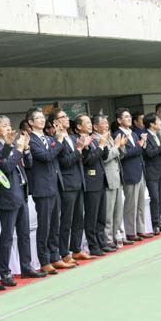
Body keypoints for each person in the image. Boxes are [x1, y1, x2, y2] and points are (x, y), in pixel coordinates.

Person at [0, 115, 43, 284]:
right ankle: (5, 272)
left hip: (21, 192)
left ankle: (26, 266)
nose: (8, 127)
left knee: (24, 233)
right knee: (7, 236)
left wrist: (25, 149)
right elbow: (6, 166)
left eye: (9, 124)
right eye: (3, 125)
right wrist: (18, 150)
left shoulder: (14, 144)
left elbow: (29, 163)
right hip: (7, 197)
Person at [26, 108, 69, 275]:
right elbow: (46, 156)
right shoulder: (31, 141)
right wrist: (58, 141)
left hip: (55, 185)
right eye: (37, 118)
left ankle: (55, 256)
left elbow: (58, 153)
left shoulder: (50, 138)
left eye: (42, 117)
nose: (42, 120)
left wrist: (59, 137)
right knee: (44, 225)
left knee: (55, 224)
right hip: (42, 188)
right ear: (30, 122)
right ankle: (44, 260)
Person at [52, 108, 91, 264]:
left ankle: (76, 249)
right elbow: (65, 162)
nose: (67, 118)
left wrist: (83, 148)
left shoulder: (73, 137)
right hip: (67, 184)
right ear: (55, 122)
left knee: (78, 219)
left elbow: (80, 159)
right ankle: (64, 252)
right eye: (62, 117)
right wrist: (79, 149)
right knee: (66, 221)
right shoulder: (56, 139)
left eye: (66, 116)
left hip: (78, 181)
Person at [77, 114, 112, 255]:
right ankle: (93, 245)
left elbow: (104, 156)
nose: (90, 125)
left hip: (100, 179)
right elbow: (88, 160)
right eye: (87, 123)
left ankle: (101, 242)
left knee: (101, 215)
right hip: (90, 181)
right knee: (92, 216)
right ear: (79, 126)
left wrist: (104, 143)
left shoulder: (93, 139)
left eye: (90, 122)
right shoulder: (80, 140)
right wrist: (101, 146)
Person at [115, 108, 150, 241]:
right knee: (131, 204)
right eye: (125, 117)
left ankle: (140, 229)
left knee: (140, 203)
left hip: (140, 170)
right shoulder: (118, 135)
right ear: (119, 120)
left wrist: (142, 144)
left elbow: (138, 150)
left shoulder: (134, 134)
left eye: (129, 116)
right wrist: (139, 147)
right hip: (129, 172)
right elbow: (124, 154)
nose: (129, 118)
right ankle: (130, 232)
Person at [95, 114, 127, 248]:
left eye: (107, 122)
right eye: (103, 123)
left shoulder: (109, 136)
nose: (106, 125)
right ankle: (108, 239)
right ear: (95, 126)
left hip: (116, 177)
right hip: (108, 178)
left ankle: (116, 236)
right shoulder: (97, 139)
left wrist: (120, 146)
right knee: (108, 213)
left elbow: (120, 156)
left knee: (118, 211)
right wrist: (116, 147)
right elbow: (105, 158)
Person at [143, 113, 161, 235]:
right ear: (151, 124)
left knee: (160, 197)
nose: (160, 123)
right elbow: (150, 153)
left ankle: (159, 222)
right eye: (157, 121)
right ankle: (155, 224)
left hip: (160, 169)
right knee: (154, 197)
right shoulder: (146, 136)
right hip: (151, 170)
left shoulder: (156, 135)